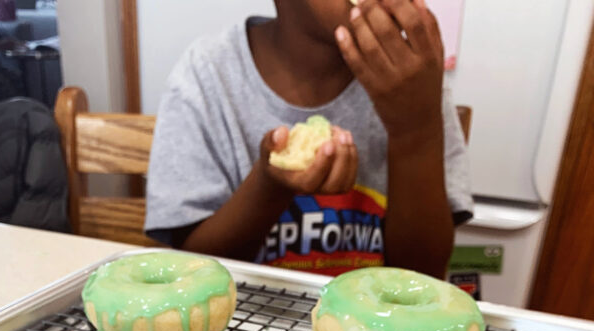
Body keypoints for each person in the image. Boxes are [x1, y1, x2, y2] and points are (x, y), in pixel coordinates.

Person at [145, 0, 472, 279]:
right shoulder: (208, 75)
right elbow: (193, 266)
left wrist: (415, 129)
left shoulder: (415, 83)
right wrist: (269, 186)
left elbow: (423, 275)